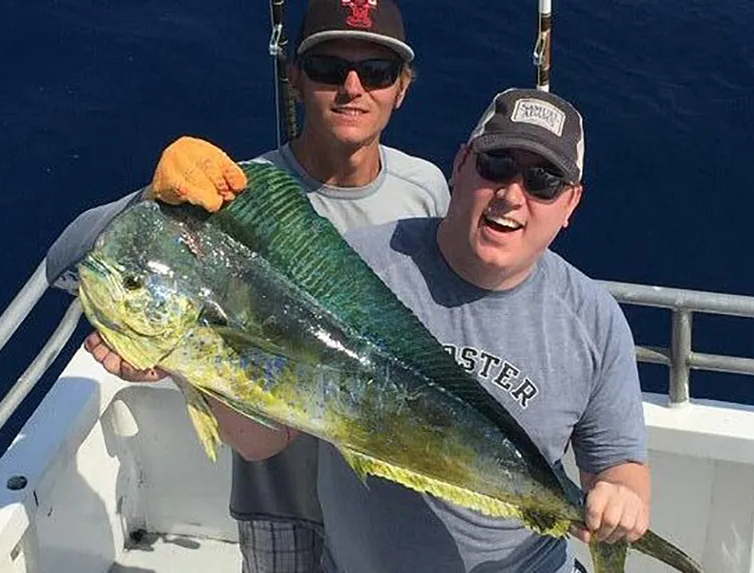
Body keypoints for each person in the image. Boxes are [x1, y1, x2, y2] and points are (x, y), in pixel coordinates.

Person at [44, 1, 449, 571]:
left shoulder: (427, 190)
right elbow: (64, 261)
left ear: (402, 88)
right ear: (296, 77)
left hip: (383, 496)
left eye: (377, 72)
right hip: (275, 500)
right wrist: (148, 199)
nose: (352, 88)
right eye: (330, 68)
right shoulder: (235, 193)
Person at [216, 87, 651, 573]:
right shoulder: (351, 269)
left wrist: (621, 497)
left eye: (543, 182)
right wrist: (182, 358)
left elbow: (619, 466)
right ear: (461, 165)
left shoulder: (594, 319)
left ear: (571, 204)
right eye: (497, 164)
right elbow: (259, 440)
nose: (511, 195)